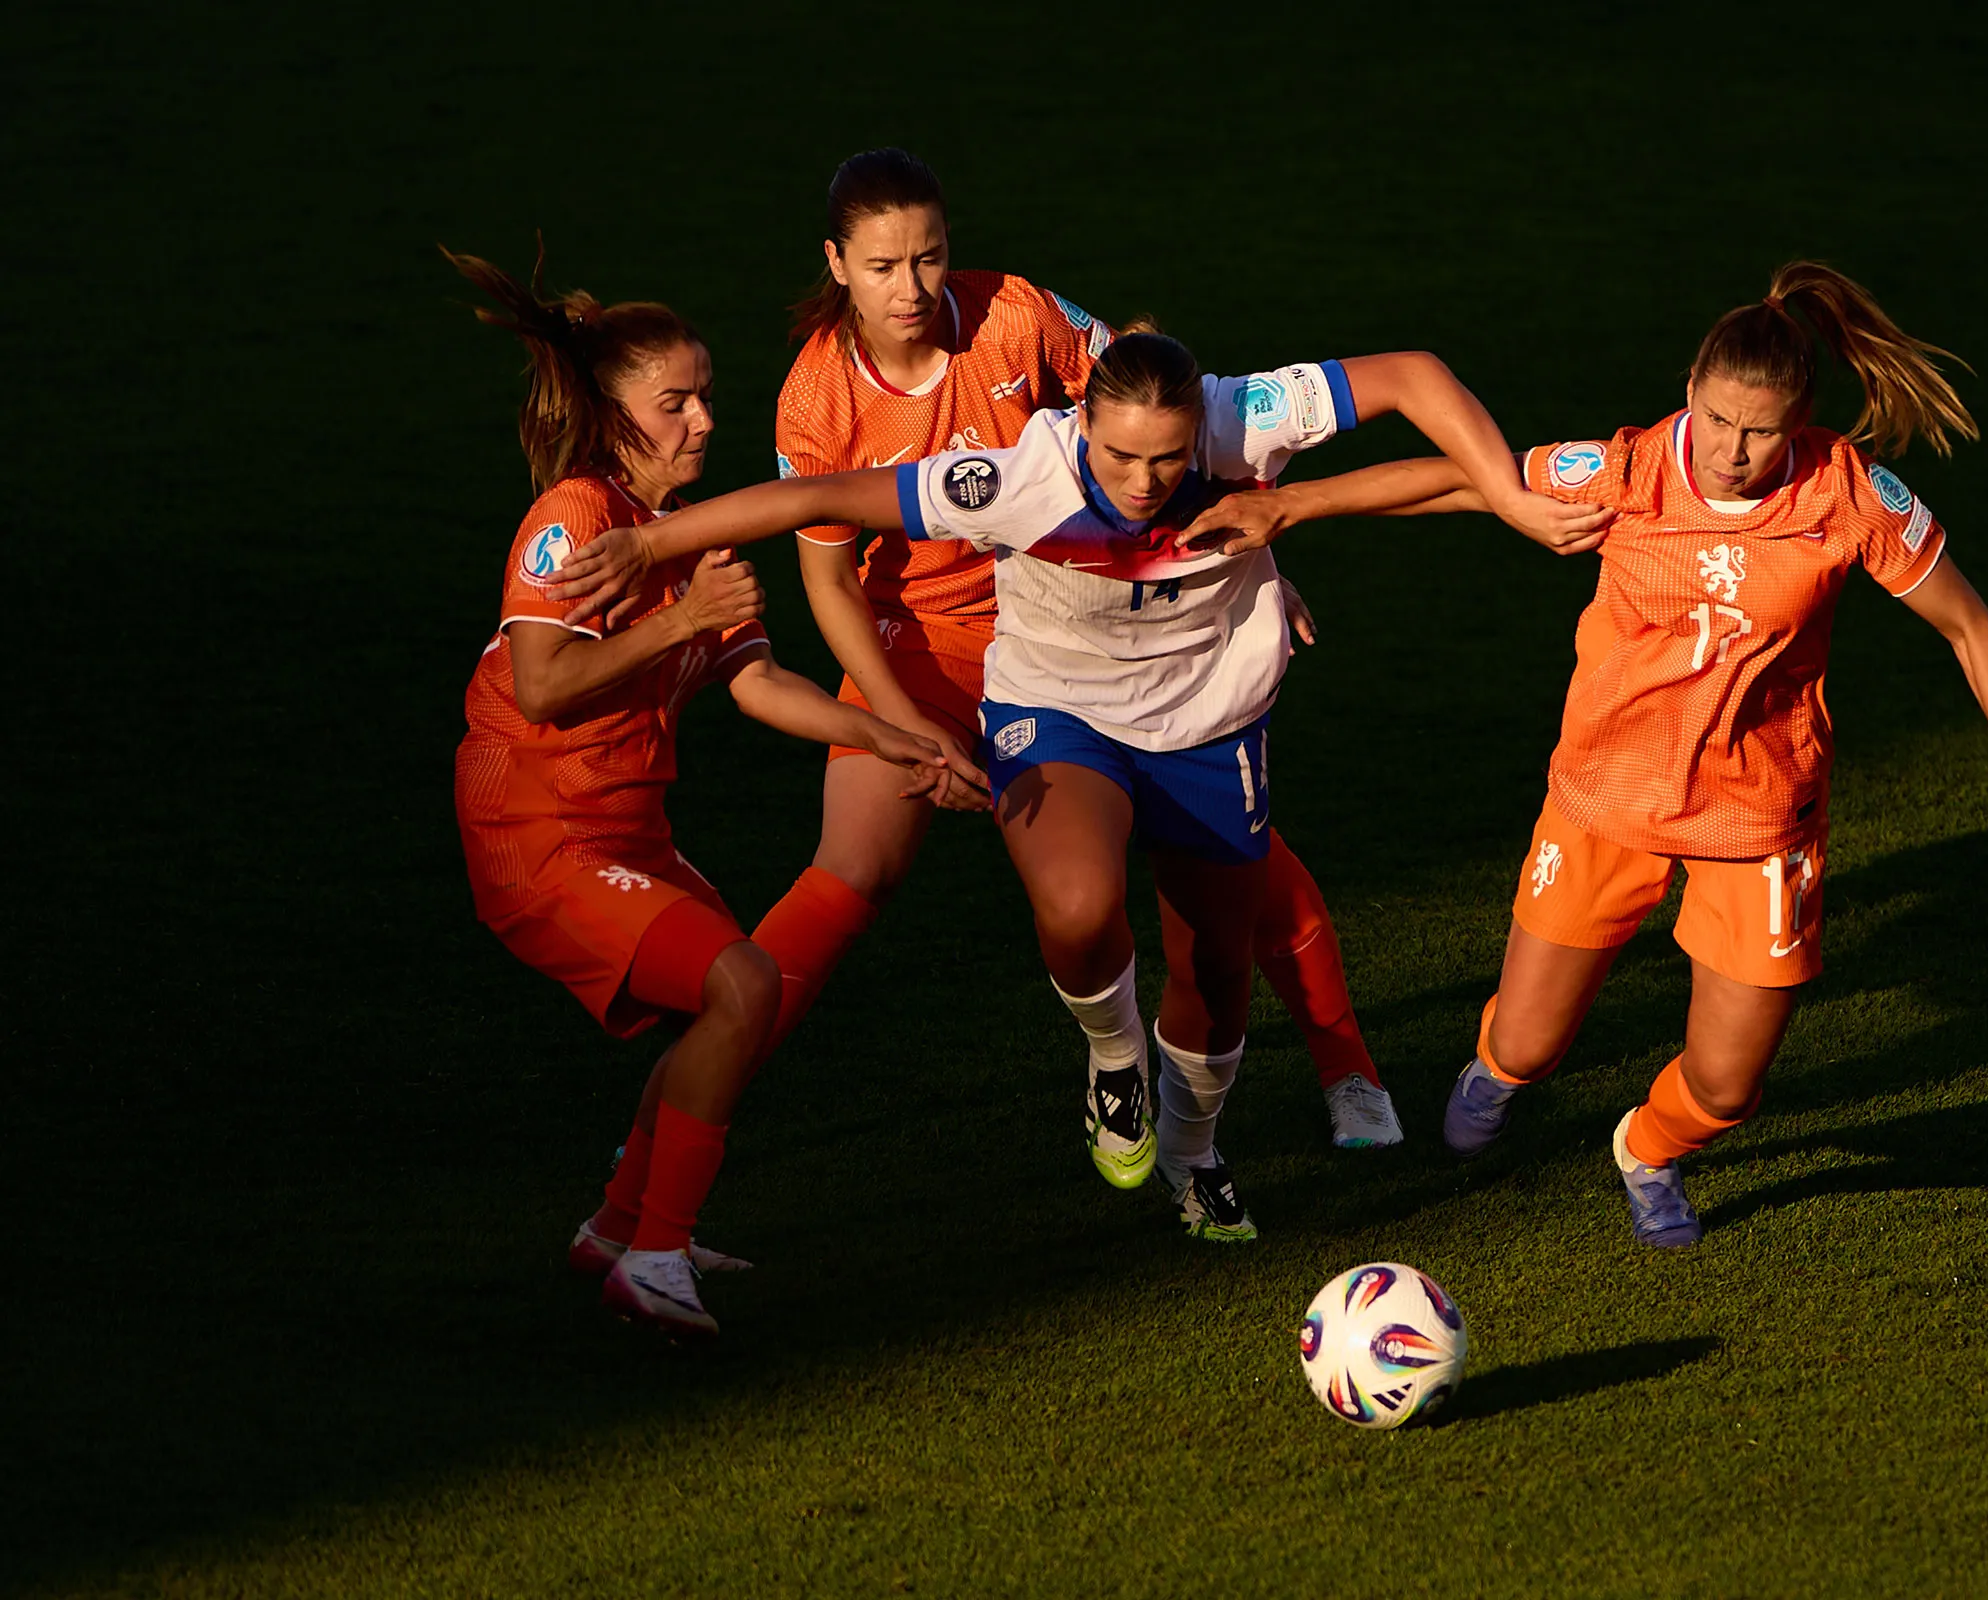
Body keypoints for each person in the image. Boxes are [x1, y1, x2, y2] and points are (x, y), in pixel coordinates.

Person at [549, 330, 1598, 1237]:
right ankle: (1110, 1057)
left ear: (1205, 430)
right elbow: (816, 495)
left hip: (1210, 723)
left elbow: (1414, 375)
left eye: (1170, 458)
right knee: (1081, 899)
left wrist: (1443, 498)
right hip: (1060, 712)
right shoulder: (1017, 479)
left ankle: (1193, 1155)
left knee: (1217, 975)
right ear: (1080, 426)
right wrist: (649, 538)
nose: (1143, 483)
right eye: (1119, 455)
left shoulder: (1246, 419)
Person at [1175, 261, 1988, 1250]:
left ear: (1801, 420)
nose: (1731, 451)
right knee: (1527, 1045)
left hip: (1758, 818)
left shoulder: (1849, 496)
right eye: (1714, 418)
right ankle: (1493, 1073)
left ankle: (1647, 1149)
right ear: (1690, 393)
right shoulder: (1630, 471)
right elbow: (1464, 483)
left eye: (1760, 431)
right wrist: (1289, 507)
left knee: (1727, 1083)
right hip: (1603, 801)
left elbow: (1968, 626)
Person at [754, 148, 1405, 1149]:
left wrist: (1248, 564)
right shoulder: (816, 401)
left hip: (1074, 622)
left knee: (1242, 860)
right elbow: (829, 583)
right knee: (850, 867)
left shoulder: (1018, 312)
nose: (913, 288)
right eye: (884, 266)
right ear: (837, 264)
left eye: (929, 257)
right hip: (920, 646)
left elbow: (1151, 415)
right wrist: (900, 727)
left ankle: (1347, 1064)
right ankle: (700, 1091)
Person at [446, 248, 945, 1337]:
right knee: (739, 988)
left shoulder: (682, 541)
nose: (704, 421)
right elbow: (543, 684)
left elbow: (760, 682)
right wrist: (679, 616)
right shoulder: (574, 520)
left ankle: (623, 1230)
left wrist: (895, 739)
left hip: (623, 825)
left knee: (735, 997)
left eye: (706, 396)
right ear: (612, 413)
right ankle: (655, 1252)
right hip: (538, 833)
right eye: (674, 402)